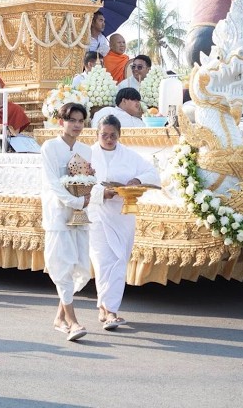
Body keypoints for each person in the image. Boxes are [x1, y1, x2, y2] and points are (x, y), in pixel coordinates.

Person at [87, 115, 160, 329]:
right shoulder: (87, 155)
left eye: (113, 135)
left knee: (119, 260)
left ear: (119, 135)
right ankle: (110, 311)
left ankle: (105, 308)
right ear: (97, 134)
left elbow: (153, 173)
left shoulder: (129, 155)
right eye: (104, 135)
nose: (109, 139)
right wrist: (102, 193)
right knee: (103, 262)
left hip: (123, 215)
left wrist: (137, 180)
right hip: (97, 214)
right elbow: (78, 185)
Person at [40, 102, 94, 342]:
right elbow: (52, 183)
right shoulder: (50, 148)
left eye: (81, 121)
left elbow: (89, 180)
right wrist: (76, 201)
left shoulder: (86, 150)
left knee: (80, 267)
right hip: (58, 215)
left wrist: (88, 198)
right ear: (61, 122)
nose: (77, 125)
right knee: (62, 265)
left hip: (80, 216)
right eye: (72, 120)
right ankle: (72, 322)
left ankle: (59, 318)